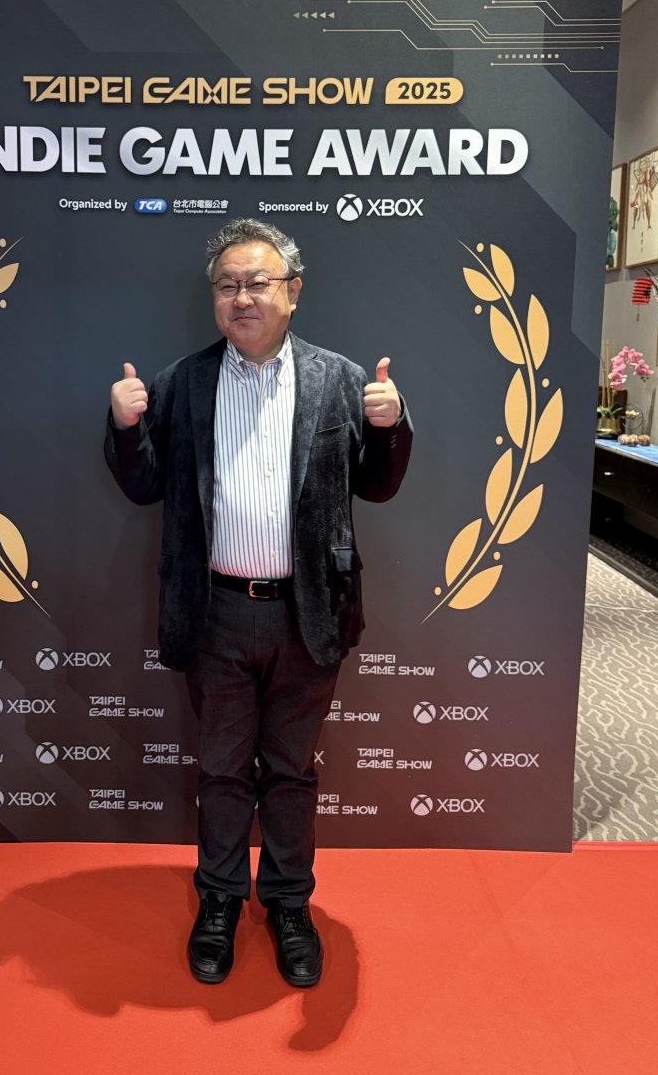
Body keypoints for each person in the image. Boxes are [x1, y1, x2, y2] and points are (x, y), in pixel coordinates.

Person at [105, 218, 412, 988]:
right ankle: (218, 900)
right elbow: (143, 485)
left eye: (257, 283)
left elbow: (378, 485)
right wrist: (125, 425)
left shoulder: (341, 380)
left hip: (308, 614)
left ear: (293, 292)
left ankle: (287, 904)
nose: (241, 297)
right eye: (227, 285)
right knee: (220, 771)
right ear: (214, 298)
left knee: (291, 771)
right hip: (214, 614)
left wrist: (390, 425)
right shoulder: (181, 383)